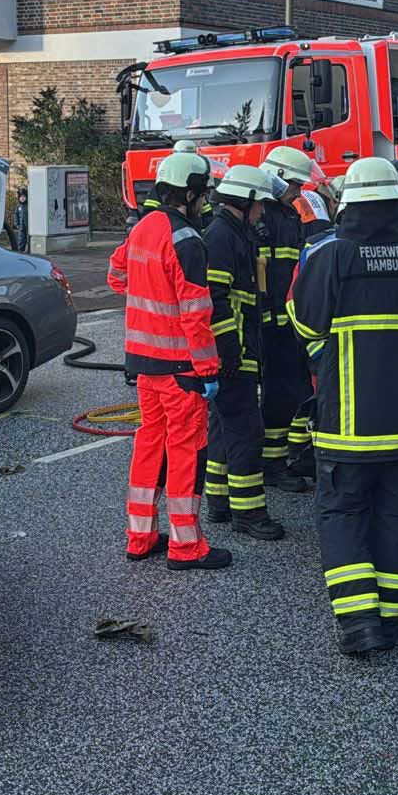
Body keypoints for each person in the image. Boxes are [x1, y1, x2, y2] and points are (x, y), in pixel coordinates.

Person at [288, 157, 398, 657]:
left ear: (349, 205)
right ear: (397, 202)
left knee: (342, 515)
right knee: (393, 518)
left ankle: (358, 622)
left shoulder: (331, 257)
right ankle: (390, 621)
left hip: (346, 429)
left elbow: (304, 326)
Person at [104, 151, 229, 570]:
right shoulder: (187, 241)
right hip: (181, 370)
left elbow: (116, 275)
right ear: (190, 193)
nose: (205, 202)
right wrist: (209, 369)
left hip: (145, 366)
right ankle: (185, 546)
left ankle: (139, 537)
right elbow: (197, 315)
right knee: (185, 452)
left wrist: (149, 296)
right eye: (202, 194)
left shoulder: (142, 229)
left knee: (148, 447)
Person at [200, 163, 284, 542]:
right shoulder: (222, 237)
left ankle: (219, 501)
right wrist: (230, 353)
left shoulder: (233, 233)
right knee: (247, 431)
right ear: (245, 200)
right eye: (260, 204)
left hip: (233, 350)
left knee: (223, 426)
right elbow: (215, 301)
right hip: (232, 351)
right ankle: (249, 512)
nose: (263, 211)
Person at [257, 145, 318, 491]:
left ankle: (286, 459)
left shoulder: (287, 216)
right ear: (277, 177)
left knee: (293, 391)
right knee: (279, 396)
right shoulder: (263, 216)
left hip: (289, 321)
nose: (298, 192)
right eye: (294, 185)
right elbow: (265, 278)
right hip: (272, 325)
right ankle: (273, 464)